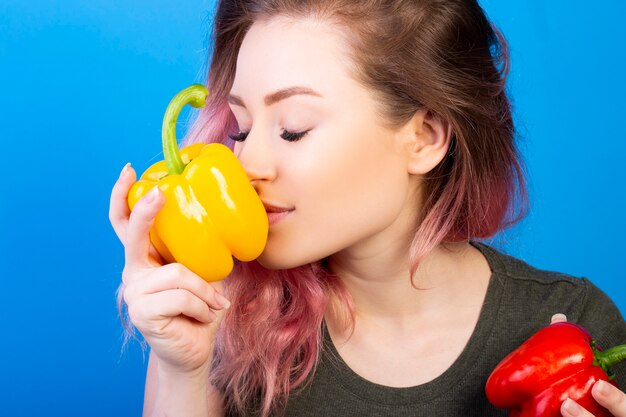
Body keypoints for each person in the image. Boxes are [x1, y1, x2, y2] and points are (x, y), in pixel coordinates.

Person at [108, 1, 626, 416]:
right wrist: (180, 369)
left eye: (293, 128)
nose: (246, 162)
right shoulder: (230, 329)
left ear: (424, 138)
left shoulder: (570, 325)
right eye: (241, 128)